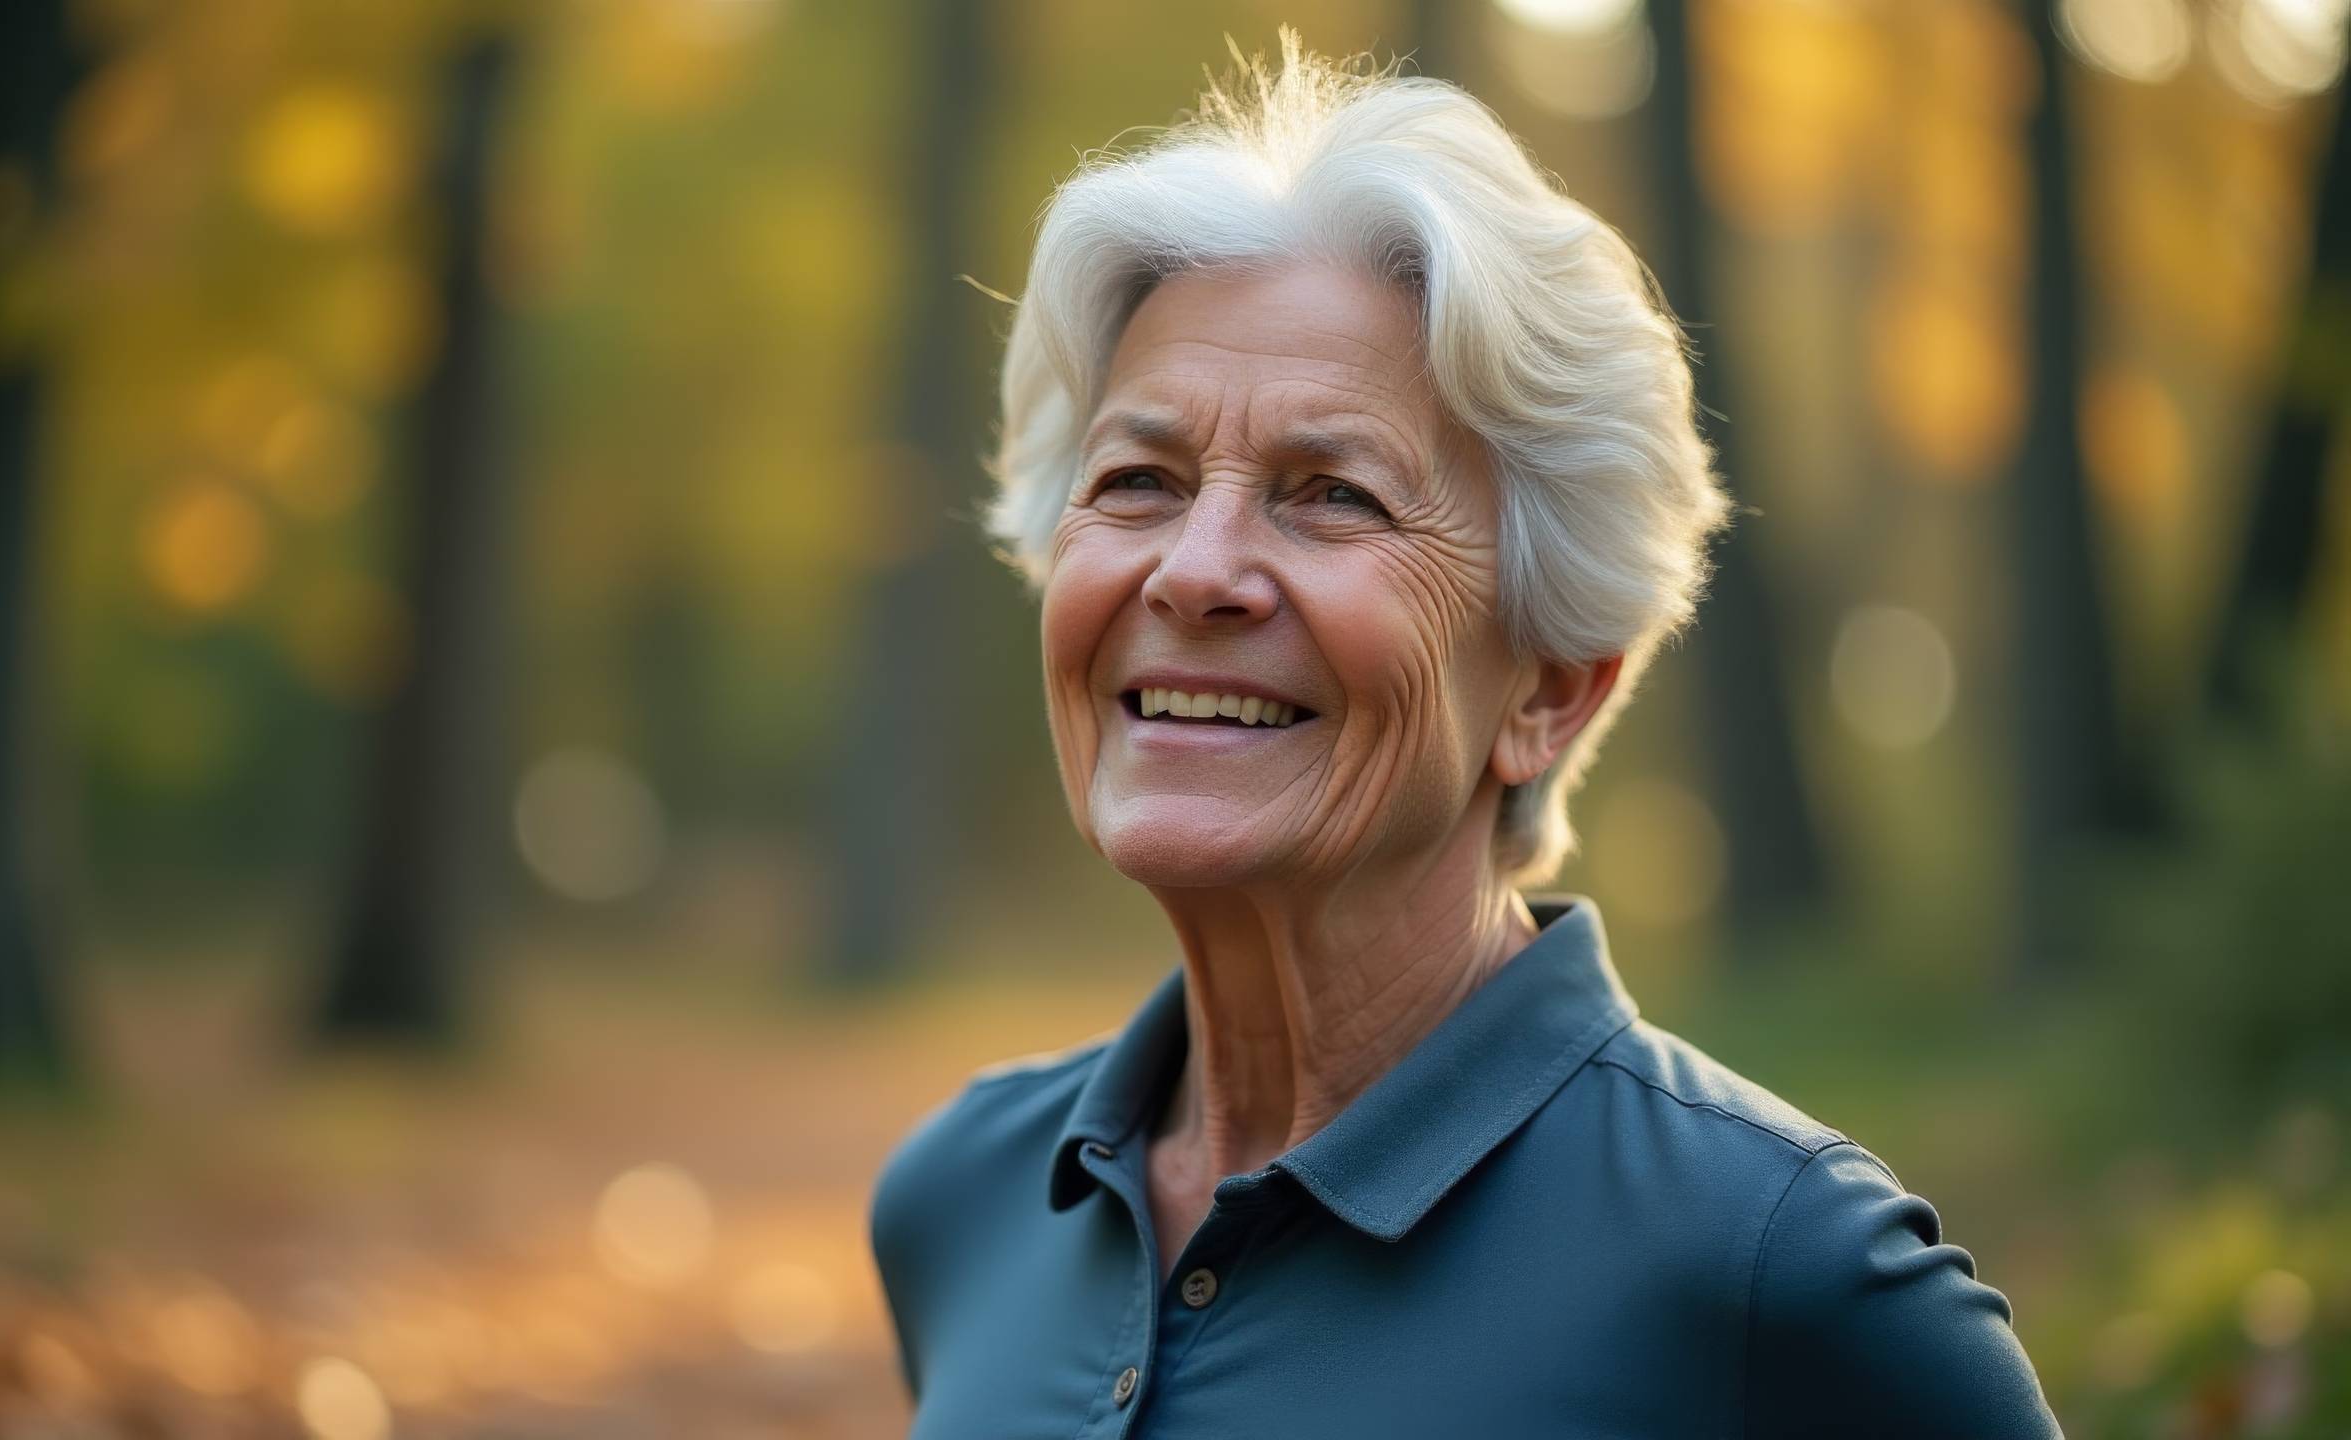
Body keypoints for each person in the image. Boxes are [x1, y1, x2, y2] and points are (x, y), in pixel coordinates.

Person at [866, 32, 2063, 1438]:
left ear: (1553, 687)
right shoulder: (962, 1196)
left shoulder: (1778, 1273)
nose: (1194, 570)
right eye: (1139, 479)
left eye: (1333, 496)